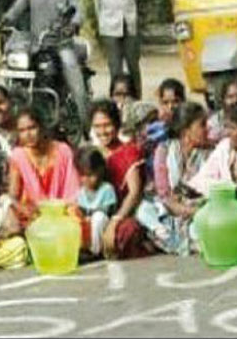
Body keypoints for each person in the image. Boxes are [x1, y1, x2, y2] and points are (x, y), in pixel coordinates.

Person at [0, 0, 90, 129]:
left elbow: (79, 9)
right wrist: (4, 20)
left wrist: (73, 25)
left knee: (75, 80)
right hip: (36, 46)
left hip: (61, 45)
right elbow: (17, 8)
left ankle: (85, 122)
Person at [136, 102, 209, 255]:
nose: (206, 129)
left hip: (197, 210)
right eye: (202, 125)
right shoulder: (163, 151)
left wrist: (194, 210)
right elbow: (164, 196)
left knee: (199, 226)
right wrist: (184, 209)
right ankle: (177, 241)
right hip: (171, 209)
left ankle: (172, 242)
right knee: (143, 211)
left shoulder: (209, 154)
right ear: (186, 131)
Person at [90, 99, 152, 260]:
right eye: (97, 126)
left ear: (116, 125)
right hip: (96, 214)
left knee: (127, 232)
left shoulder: (129, 152)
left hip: (123, 213)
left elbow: (134, 192)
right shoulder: (90, 154)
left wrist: (114, 221)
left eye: (107, 125)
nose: (102, 131)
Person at [8, 106, 80, 226]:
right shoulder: (18, 156)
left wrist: (62, 211)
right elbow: (13, 197)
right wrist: (25, 210)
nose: (28, 134)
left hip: (63, 213)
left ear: (41, 127)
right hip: (33, 218)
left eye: (32, 128)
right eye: (22, 130)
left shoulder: (63, 151)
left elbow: (73, 191)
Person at [76, 146, 118, 257]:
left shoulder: (106, 189)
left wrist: (91, 215)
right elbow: (80, 209)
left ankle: (95, 251)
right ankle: (81, 249)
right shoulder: (81, 192)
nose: (86, 179)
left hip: (103, 225)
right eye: (83, 176)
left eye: (90, 175)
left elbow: (108, 211)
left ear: (100, 171)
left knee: (98, 218)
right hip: (87, 226)